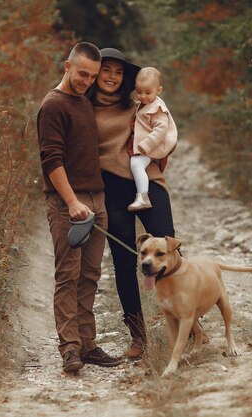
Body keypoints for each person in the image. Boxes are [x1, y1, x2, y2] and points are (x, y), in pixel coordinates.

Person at [37, 42, 123, 373]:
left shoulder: (83, 103)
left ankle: (88, 345)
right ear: (67, 66)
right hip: (67, 204)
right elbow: (51, 159)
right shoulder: (53, 105)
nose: (87, 80)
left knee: (90, 276)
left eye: (92, 76)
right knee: (68, 276)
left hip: (96, 199)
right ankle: (69, 349)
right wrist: (72, 201)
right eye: (82, 73)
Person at [87, 48, 176, 359]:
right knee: (125, 264)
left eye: (118, 71)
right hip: (112, 189)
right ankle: (139, 338)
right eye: (106, 70)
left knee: (171, 252)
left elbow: (165, 129)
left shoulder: (138, 102)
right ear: (95, 73)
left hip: (148, 185)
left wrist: (158, 153)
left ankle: (191, 326)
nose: (112, 76)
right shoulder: (84, 107)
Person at [127, 67, 178, 211]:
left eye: (148, 92)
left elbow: (161, 129)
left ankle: (143, 196)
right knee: (137, 165)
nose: (143, 96)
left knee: (136, 165)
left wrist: (147, 145)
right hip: (147, 144)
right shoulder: (147, 103)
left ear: (159, 90)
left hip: (151, 145)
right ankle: (142, 195)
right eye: (139, 92)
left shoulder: (157, 109)